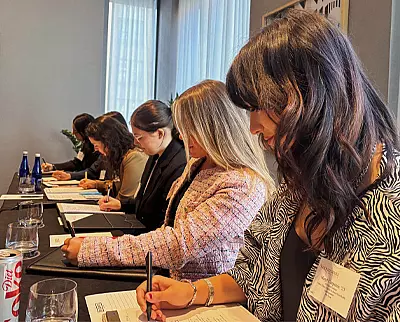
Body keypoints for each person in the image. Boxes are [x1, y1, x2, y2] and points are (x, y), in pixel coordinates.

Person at [134, 10, 400, 322]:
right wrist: (192, 292)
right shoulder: (298, 187)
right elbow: (250, 272)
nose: (253, 127)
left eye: (261, 106)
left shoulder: (390, 213)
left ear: (316, 93)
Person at [61, 80, 275, 281]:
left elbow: (178, 243)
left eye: (188, 128)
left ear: (214, 129)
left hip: (203, 299)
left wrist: (94, 250)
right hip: (173, 284)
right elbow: (169, 231)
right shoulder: (198, 164)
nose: (181, 136)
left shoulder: (242, 184)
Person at [98, 100, 187, 231]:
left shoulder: (179, 165)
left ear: (160, 134)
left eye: (139, 137)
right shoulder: (155, 155)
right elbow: (146, 203)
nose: (135, 142)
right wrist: (121, 204)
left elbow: (163, 218)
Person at [78, 115, 148, 201]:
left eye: (96, 145)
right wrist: (96, 184)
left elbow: (125, 198)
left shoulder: (133, 157)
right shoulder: (119, 155)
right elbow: (116, 183)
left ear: (108, 141)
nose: (96, 149)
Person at [51, 111, 129, 181]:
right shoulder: (91, 146)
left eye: (75, 131)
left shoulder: (129, 156)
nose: (73, 133)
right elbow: (90, 169)